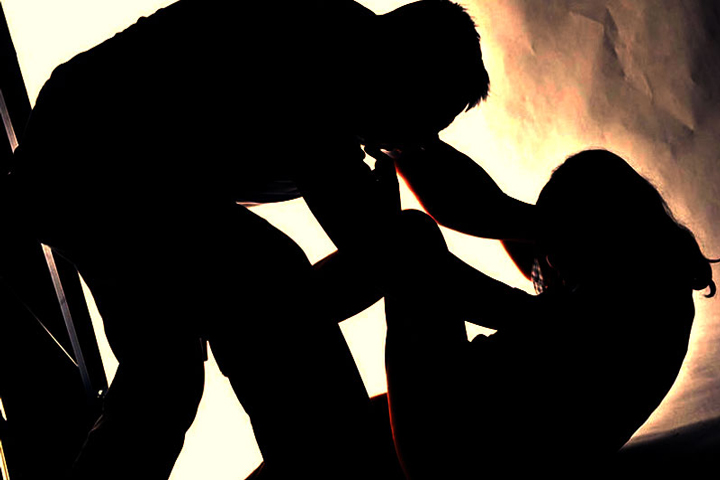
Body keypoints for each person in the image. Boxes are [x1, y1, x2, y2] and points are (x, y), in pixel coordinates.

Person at [1, 0, 489, 478]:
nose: (415, 144)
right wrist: (513, 310)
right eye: (423, 123)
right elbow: (381, 253)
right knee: (266, 272)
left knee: (166, 377)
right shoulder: (322, 53)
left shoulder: (358, 84)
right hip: (94, 147)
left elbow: (389, 251)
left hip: (107, 174)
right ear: (406, 67)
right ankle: (337, 468)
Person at [377, 147, 717, 478]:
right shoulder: (642, 282)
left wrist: (393, 240)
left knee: (411, 237)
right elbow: (496, 215)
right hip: (470, 434)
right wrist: (406, 150)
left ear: (599, 229)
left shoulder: (632, 300)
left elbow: (497, 295)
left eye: (558, 242)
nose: (549, 259)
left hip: (458, 451)